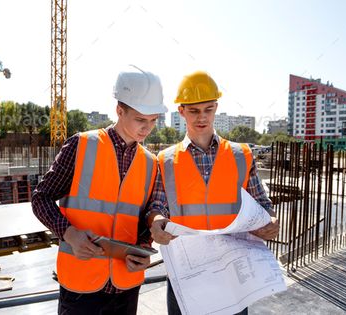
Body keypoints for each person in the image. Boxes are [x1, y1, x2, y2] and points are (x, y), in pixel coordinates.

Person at [32, 65, 168, 315]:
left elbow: (147, 215)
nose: (147, 128)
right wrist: (69, 234)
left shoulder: (151, 163)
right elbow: (41, 198)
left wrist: (143, 248)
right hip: (80, 285)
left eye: (153, 121)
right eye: (140, 119)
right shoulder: (82, 145)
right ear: (119, 110)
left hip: (125, 287)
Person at [146, 71, 279, 315]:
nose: (202, 117)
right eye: (194, 111)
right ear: (182, 111)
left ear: (216, 107)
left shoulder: (241, 155)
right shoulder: (165, 160)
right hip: (186, 273)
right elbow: (158, 206)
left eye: (208, 109)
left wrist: (270, 220)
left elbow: (262, 204)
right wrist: (156, 223)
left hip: (233, 274)